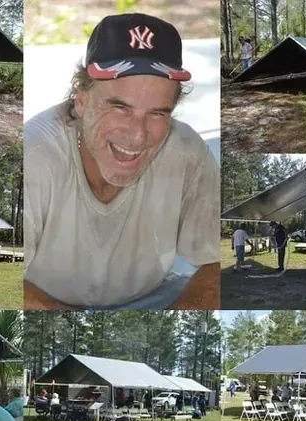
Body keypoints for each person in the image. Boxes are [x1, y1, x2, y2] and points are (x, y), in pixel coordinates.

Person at [24, 13, 220, 310]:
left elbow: (219, 262)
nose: (138, 136)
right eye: (119, 108)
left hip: (154, 299)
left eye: (157, 113)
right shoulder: (34, 154)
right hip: (46, 303)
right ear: (82, 101)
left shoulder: (186, 152)